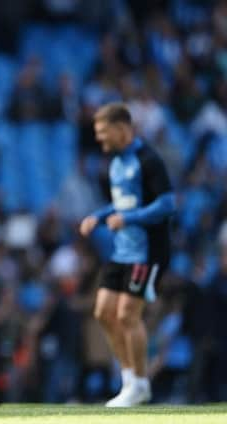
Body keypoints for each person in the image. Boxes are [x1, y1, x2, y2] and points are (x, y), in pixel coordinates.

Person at [79, 102, 175, 407]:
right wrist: (99, 214)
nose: (100, 140)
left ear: (122, 129)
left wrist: (128, 220)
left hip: (147, 252)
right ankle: (129, 380)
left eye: (104, 133)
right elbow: (124, 204)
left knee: (127, 315)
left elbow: (167, 204)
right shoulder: (117, 163)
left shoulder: (148, 160)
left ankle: (142, 383)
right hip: (122, 251)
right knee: (103, 312)